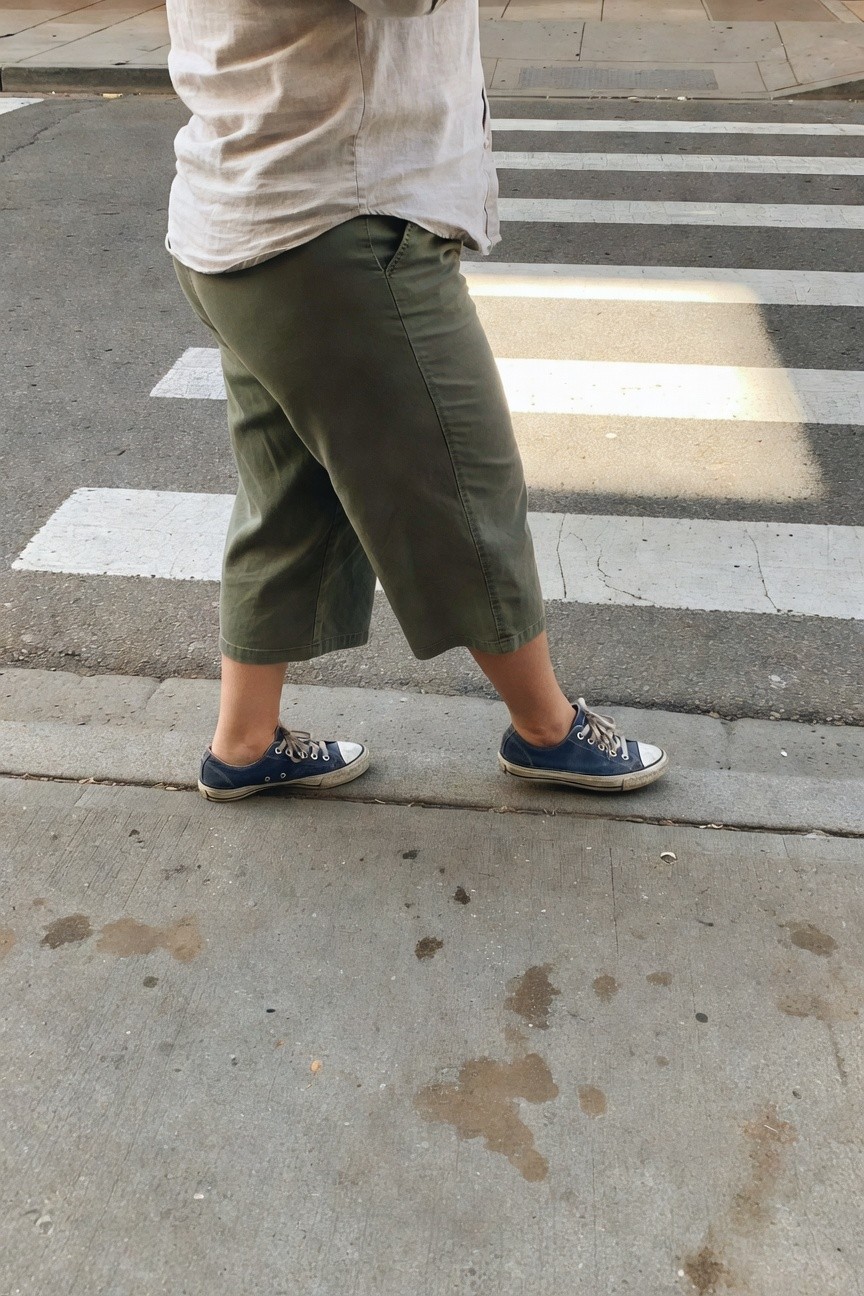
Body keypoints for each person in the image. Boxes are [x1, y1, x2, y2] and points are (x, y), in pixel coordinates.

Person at [163, 0, 668, 803]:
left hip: (248, 213)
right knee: (463, 489)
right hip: (338, 219)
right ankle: (547, 728)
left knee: (292, 499)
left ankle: (244, 742)